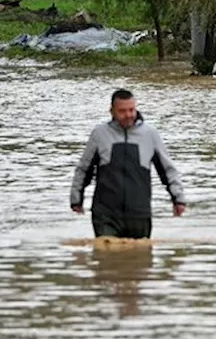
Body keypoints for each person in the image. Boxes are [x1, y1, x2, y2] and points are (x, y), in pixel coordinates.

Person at [70, 89, 186, 239]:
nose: (128, 115)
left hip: (139, 214)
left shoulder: (150, 134)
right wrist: (76, 199)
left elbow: (168, 170)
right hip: (106, 214)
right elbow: (84, 169)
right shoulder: (99, 134)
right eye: (122, 111)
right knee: (106, 258)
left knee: (139, 260)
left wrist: (178, 199)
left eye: (131, 110)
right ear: (111, 111)